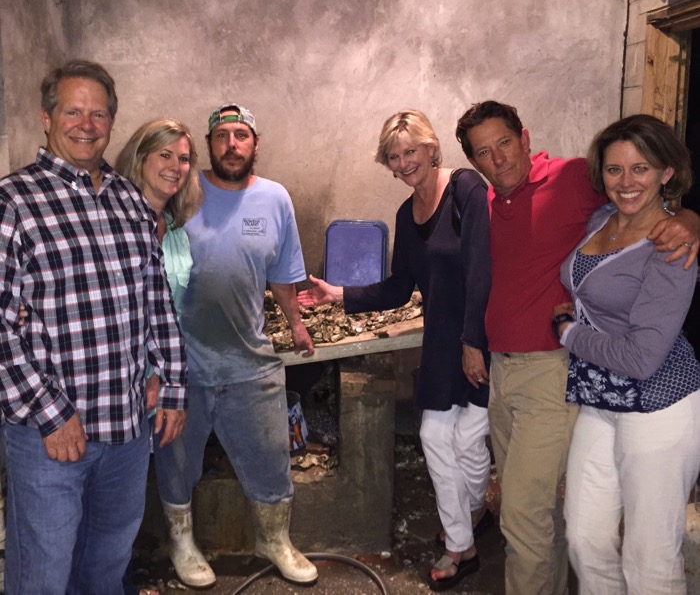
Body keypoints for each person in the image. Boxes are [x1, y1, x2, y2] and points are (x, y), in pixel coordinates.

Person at [454, 100, 700, 594]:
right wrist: (472, 339)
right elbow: (487, 277)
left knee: (533, 516)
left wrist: (692, 218)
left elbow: (651, 200)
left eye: (504, 142)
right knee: (581, 537)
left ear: (525, 138)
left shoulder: (571, 181)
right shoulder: (580, 216)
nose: (498, 158)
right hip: (574, 389)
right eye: (483, 152)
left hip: (609, 384)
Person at [0, 60, 187, 594]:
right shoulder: (14, 203)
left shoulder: (129, 200)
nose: (87, 124)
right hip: (51, 437)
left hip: (128, 430)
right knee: (44, 575)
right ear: (46, 117)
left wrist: (173, 385)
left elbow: (156, 300)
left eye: (99, 113)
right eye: (73, 110)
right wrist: (51, 414)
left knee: (106, 566)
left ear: (112, 122)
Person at [298, 109, 492, 591]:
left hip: (483, 337)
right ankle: (462, 544)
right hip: (444, 342)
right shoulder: (407, 216)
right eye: (394, 156)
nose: (405, 163)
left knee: (468, 442)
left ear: (431, 148)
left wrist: (474, 342)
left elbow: (481, 272)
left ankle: (470, 516)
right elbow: (399, 289)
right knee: (435, 437)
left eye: (411, 151)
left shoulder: (466, 189)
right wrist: (338, 293)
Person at [157, 103, 318, 586]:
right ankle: (181, 542)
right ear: (210, 144)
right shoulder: (184, 188)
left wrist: (295, 322)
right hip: (182, 359)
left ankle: (273, 538)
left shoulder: (275, 198)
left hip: (249, 357)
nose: (232, 144)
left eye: (241, 135)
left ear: (255, 143)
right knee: (176, 456)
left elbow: (285, 273)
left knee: (271, 454)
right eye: (223, 135)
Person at [553, 114, 700, 594]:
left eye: (641, 168)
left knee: (650, 559)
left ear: (666, 172)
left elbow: (641, 358)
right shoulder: (601, 219)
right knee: (585, 539)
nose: (626, 182)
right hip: (601, 400)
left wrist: (569, 333)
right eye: (615, 170)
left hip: (659, 406)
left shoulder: (672, 247)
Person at [115, 119, 208, 589]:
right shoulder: (110, 221)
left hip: (156, 381)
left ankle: (130, 569)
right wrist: (148, 372)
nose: (175, 166)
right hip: (116, 381)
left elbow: (167, 311)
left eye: (184, 158)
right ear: (140, 157)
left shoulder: (173, 231)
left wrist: (167, 375)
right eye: (164, 155)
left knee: (126, 501)